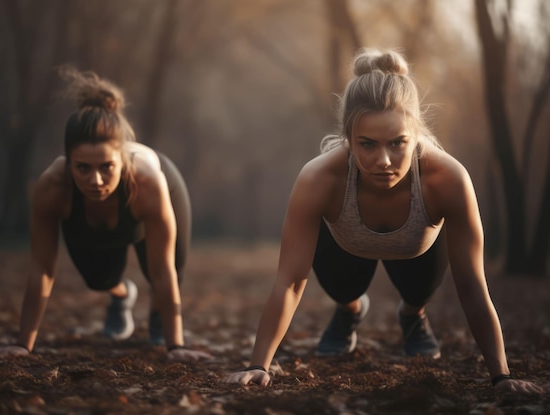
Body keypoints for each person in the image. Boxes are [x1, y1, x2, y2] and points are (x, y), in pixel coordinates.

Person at [224, 48, 542, 393]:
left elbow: (472, 284)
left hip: (418, 253)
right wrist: (258, 365)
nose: (384, 160)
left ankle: (413, 315)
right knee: (343, 289)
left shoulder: (447, 178)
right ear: (348, 137)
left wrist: (502, 376)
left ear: (415, 134)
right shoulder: (319, 178)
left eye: (398, 143)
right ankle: (350, 309)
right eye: (367, 144)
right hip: (345, 249)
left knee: (418, 290)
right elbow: (290, 281)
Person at [0, 68, 209, 362]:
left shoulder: (147, 182)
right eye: (83, 168)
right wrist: (23, 345)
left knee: (169, 271)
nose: (95, 180)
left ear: (121, 158)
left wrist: (176, 347)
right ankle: (121, 295)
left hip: (159, 188)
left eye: (106, 166)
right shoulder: (52, 187)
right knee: (97, 279)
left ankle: (159, 320)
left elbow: (162, 270)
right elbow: (42, 269)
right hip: (95, 215)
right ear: (68, 162)